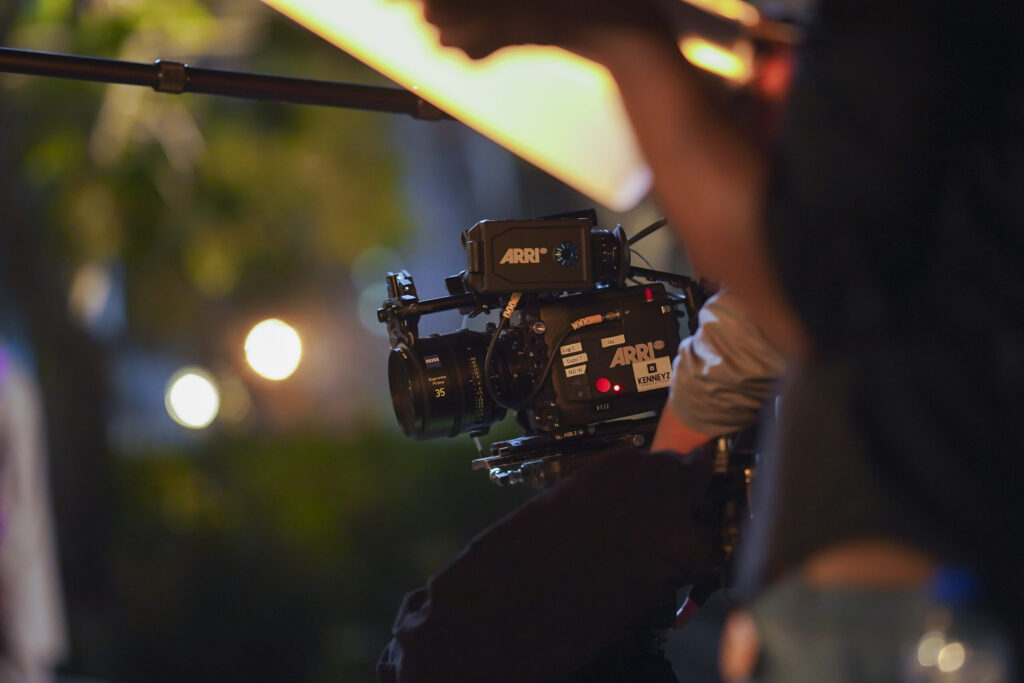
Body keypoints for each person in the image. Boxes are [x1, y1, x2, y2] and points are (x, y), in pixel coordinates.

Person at [384, 0, 1024, 678]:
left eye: (783, 62)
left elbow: (799, 282)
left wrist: (623, 37)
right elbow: (789, 295)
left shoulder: (917, 84)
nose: (765, 83)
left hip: (910, 618)